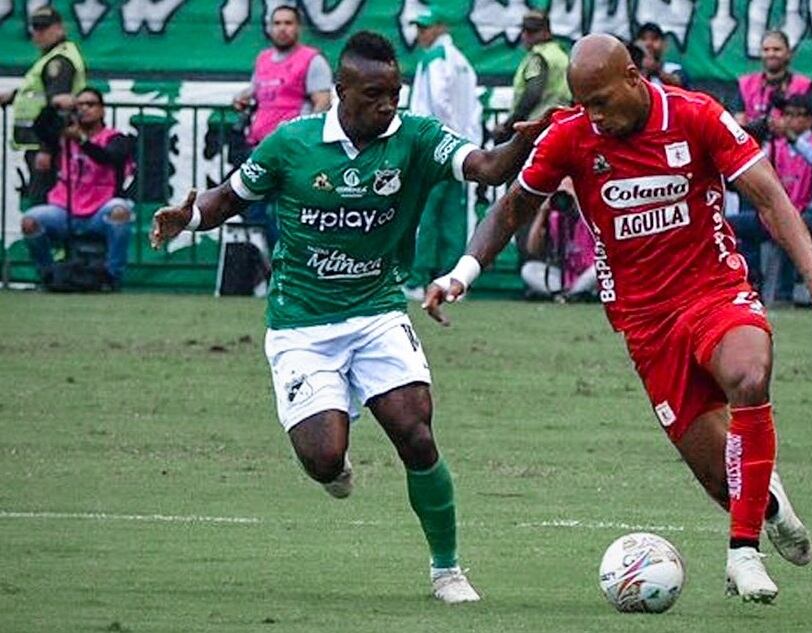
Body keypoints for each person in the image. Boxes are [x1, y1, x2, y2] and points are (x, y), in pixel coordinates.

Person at [424, 35, 812, 603]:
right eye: (583, 104)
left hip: (714, 291)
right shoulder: (573, 135)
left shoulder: (696, 116)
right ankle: (768, 504)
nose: (593, 115)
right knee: (723, 479)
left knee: (748, 374)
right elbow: (511, 207)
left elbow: (769, 196)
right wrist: (462, 274)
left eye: (600, 101)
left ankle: (743, 553)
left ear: (632, 76)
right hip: (645, 325)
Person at [149, 31, 549, 605]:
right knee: (323, 457)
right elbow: (229, 197)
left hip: (377, 312)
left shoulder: (416, 137)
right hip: (301, 326)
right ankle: (332, 464)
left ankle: (447, 571)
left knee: (415, 431)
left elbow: (485, 167)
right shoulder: (291, 144)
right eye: (374, 94)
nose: (388, 104)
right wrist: (186, 220)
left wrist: (520, 145)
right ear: (341, 91)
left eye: (395, 92)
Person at [232, 4, 333, 249]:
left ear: (298, 27)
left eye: (288, 23)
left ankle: (289, 268)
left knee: (287, 213)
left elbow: (323, 101)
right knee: (251, 209)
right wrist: (243, 97)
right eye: (277, 23)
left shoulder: (311, 59)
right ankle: (268, 271)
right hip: (258, 147)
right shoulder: (264, 59)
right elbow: (257, 90)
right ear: (269, 28)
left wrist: (306, 138)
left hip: (291, 149)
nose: (282, 29)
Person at [403, 7, 483, 299]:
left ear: (439, 27)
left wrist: (438, 137)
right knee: (454, 217)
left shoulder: (433, 58)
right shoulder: (462, 61)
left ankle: (416, 279)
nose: (420, 34)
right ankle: (454, 284)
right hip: (461, 149)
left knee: (424, 214)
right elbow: (474, 109)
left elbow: (438, 103)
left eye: (424, 28)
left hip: (433, 146)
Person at [21, 88, 133, 288]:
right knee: (30, 221)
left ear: (102, 110)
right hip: (64, 209)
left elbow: (109, 157)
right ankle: (48, 275)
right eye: (79, 105)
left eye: (90, 104)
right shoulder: (64, 136)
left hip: (100, 210)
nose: (84, 109)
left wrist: (81, 140)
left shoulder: (116, 138)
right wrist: (53, 106)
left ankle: (111, 276)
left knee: (120, 211)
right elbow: (39, 128)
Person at [732, 93, 812, 303]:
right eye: (787, 114)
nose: (790, 120)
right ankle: (749, 283)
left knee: (792, 226)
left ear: (809, 120)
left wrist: (794, 139)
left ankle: (783, 295)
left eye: (798, 115)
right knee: (733, 225)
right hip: (781, 210)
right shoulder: (774, 145)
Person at [732, 30, 812, 290]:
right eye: (766, 49)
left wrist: (786, 128)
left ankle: (786, 288)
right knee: (749, 226)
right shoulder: (746, 84)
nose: (771, 54)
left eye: (777, 49)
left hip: (794, 170)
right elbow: (737, 121)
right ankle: (750, 282)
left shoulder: (803, 85)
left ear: (788, 53)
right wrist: (755, 126)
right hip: (752, 163)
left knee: (786, 223)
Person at [0, 6, 86, 205]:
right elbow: (40, 93)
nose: (39, 34)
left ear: (59, 29)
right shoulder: (52, 57)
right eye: (35, 29)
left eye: (45, 28)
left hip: (46, 144)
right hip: (38, 142)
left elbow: (57, 107)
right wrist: (12, 96)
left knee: (42, 202)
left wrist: (46, 149)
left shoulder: (60, 61)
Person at [492, 11, 571, 142]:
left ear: (547, 32)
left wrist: (509, 125)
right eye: (524, 31)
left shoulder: (539, 57)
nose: (526, 36)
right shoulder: (561, 55)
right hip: (560, 125)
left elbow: (532, 94)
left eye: (532, 32)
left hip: (535, 129)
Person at [520, 178, 597, 300]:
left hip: (590, 273)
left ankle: (569, 295)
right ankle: (572, 295)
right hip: (565, 276)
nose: (564, 196)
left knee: (598, 269)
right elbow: (532, 249)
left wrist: (578, 200)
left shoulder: (590, 212)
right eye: (560, 191)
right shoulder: (555, 217)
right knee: (528, 269)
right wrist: (542, 213)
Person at [634, 23, 689, 88]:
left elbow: (679, 82)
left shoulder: (673, 68)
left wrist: (656, 70)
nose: (648, 44)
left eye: (654, 39)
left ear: (664, 44)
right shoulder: (630, 71)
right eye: (643, 39)